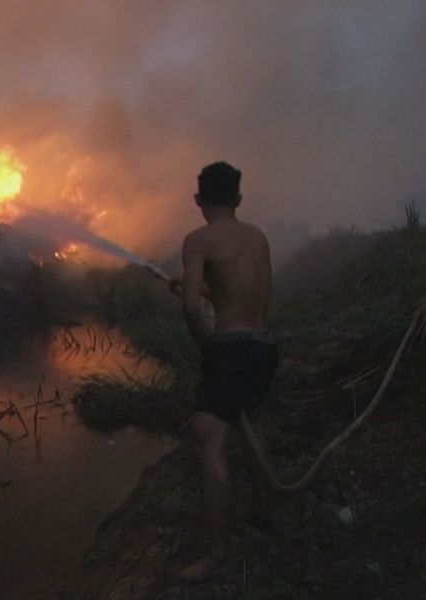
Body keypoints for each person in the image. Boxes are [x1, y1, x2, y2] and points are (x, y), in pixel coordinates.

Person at [176, 161, 278, 581]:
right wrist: (208, 294)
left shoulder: (197, 240)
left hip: (230, 351)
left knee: (209, 437)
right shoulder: (257, 238)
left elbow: (189, 309)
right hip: (262, 346)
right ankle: (265, 511)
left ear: (198, 200)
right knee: (250, 421)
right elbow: (256, 296)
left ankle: (217, 553)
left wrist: (209, 347)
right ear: (237, 199)